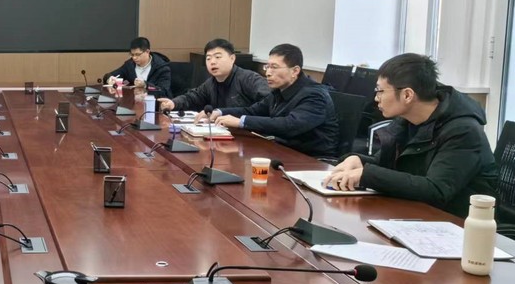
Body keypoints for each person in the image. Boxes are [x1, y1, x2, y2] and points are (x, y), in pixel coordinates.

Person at [323, 54, 498, 216]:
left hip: (457, 222)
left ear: (407, 95)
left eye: (380, 91)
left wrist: (366, 175)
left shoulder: (463, 130)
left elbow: (436, 190)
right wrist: (358, 161)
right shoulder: (407, 120)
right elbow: (388, 164)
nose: (376, 98)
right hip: (415, 211)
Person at [207, 43, 339, 158]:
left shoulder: (314, 95)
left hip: (312, 160)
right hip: (282, 151)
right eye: (267, 67)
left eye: (274, 67)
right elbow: (253, 111)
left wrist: (241, 122)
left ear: (295, 71)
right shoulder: (280, 90)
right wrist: (220, 112)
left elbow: (290, 125)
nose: (268, 73)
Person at [159, 38, 269, 113]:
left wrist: (228, 114)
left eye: (217, 57)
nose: (212, 62)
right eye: (208, 58)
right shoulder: (211, 83)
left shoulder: (249, 78)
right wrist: (173, 103)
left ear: (232, 58)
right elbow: (193, 97)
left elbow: (269, 103)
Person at [103, 37, 172, 98]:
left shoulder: (162, 68)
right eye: (132, 54)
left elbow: (164, 91)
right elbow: (109, 75)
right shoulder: (130, 65)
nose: (134, 58)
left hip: (155, 103)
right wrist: (110, 78)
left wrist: (145, 85)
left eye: (137, 54)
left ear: (147, 52)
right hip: (134, 103)